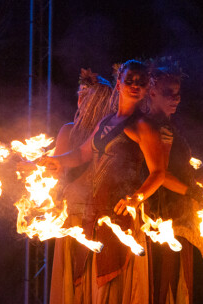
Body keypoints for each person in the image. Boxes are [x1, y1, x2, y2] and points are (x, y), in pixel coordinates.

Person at [42, 59, 166, 304]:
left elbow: (158, 173)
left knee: (114, 287)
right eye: (129, 80)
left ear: (146, 89)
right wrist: (56, 161)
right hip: (94, 213)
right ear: (119, 83)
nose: (134, 85)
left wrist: (137, 197)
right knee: (89, 285)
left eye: (140, 83)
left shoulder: (144, 126)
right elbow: (82, 154)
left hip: (122, 212)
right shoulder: (105, 122)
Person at [50, 69, 113, 304]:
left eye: (88, 96)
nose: (81, 101)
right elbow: (57, 176)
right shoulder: (68, 130)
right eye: (80, 95)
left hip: (103, 217)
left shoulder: (111, 135)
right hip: (74, 217)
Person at [146, 60, 203, 304]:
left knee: (179, 290)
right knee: (164, 290)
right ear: (152, 92)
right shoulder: (149, 127)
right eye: (168, 93)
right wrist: (193, 193)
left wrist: (201, 185)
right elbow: (158, 174)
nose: (175, 98)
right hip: (164, 219)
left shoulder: (170, 126)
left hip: (181, 220)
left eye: (178, 93)